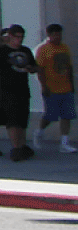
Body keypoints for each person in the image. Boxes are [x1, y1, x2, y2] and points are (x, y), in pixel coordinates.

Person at [0, 24, 39, 161]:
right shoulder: (1, 51)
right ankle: (15, 147)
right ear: (10, 36)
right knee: (11, 119)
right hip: (7, 90)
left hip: (22, 89)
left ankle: (22, 145)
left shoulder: (26, 51)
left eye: (21, 37)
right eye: (17, 37)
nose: (19, 40)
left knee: (22, 119)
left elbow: (34, 67)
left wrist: (30, 68)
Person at [35, 24, 75, 153]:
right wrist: (44, 86)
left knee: (67, 115)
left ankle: (64, 142)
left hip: (65, 87)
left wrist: (72, 84)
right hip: (51, 88)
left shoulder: (64, 48)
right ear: (49, 35)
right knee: (50, 116)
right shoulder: (43, 50)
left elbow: (69, 67)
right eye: (55, 35)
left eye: (59, 34)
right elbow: (40, 70)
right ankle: (39, 132)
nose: (58, 37)